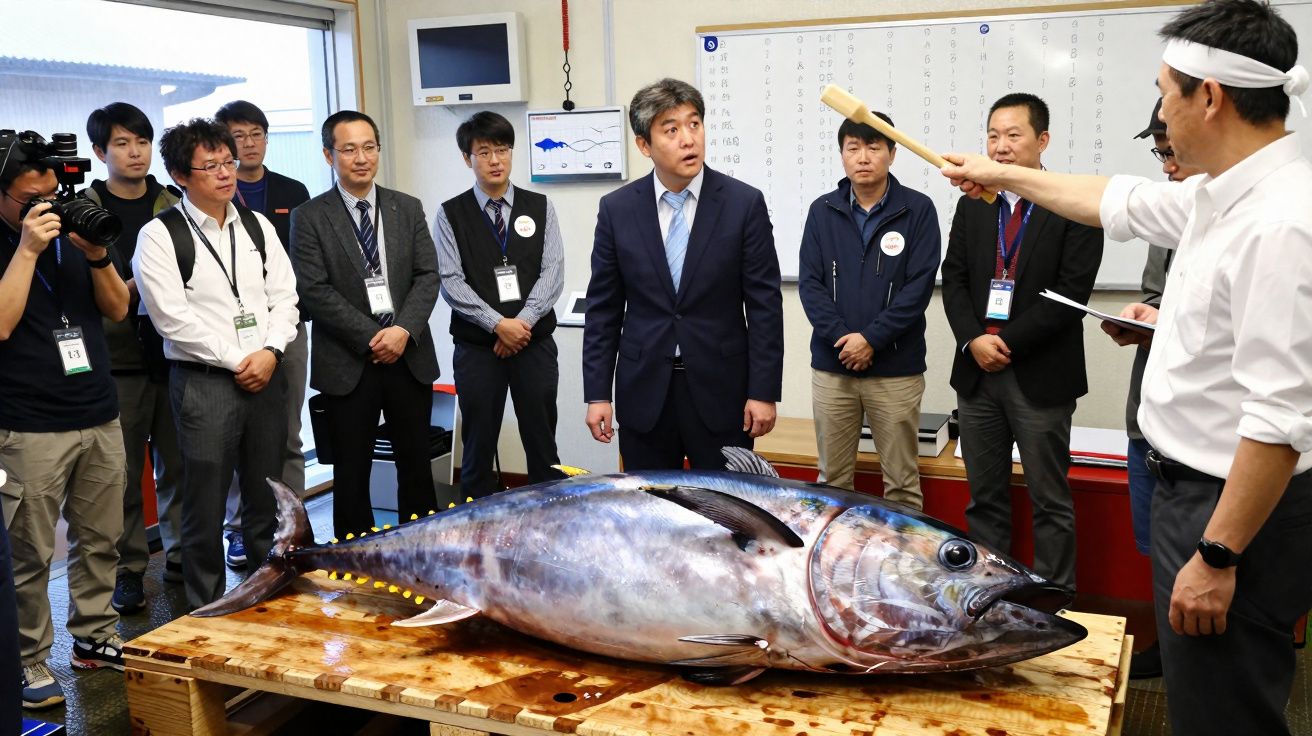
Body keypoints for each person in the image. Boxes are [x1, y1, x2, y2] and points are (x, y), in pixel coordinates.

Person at [941, 1, 1312, 731]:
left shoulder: (1281, 221)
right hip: (1194, 495)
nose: (1162, 115)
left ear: (1210, 95)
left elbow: (1282, 418)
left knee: (1223, 709)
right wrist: (1001, 174)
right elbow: (1116, 199)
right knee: (1201, 695)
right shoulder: (1220, 195)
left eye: (1167, 91)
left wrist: (1216, 552)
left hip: (1227, 512)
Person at [940, 93, 1103, 594]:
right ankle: (990, 599)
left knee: (1049, 500)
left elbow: (1071, 294)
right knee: (984, 498)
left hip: (1039, 374)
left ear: (1042, 141)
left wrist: (1003, 342)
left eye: (1013, 135)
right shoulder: (973, 203)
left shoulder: (1074, 201)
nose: (1001, 146)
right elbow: (955, 277)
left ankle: (1053, 605)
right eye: (993, 135)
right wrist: (973, 340)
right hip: (977, 374)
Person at [133, 119, 299, 609]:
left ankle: (266, 595)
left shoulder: (257, 225)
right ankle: (206, 607)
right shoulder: (160, 235)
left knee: (264, 495)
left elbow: (285, 298)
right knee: (203, 504)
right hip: (205, 383)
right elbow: (172, 319)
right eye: (211, 166)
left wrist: (269, 353)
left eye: (228, 162)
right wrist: (238, 360)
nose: (227, 173)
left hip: (266, 374)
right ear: (181, 175)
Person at [582, 78, 783, 469]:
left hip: (723, 391)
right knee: (651, 513)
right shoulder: (617, 209)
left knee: (728, 515)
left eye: (694, 124)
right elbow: (603, 310)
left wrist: (763, 391)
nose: (688, 139)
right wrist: (597, 394)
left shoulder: (743, 204)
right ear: (645, 145)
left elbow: (764, 306)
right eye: (671, 130)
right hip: (645, 391)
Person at [0, 130, 131, 708]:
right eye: (31, 199)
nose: (46, 207)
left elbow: (119, 309)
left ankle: (94, 635)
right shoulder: (17, 241)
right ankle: (27, 660)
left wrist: (96, 253)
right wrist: (27, 249)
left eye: (51, 193)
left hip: (98, 410)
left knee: (102, 538)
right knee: (29, 554)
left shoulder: (73, 227)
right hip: (28, 422)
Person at [290, 111, 439, 538]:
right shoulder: (310, 216)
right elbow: (313, 289)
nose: (361, 158)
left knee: (415, 465)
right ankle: (355, 561)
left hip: (408, 355)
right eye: (349, 149)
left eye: (369, 147)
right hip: (348, 361)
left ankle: (421, 549)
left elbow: (428, 275)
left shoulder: (405, 207)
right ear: (328, 154)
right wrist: (373, 337)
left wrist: (402, 330)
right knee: (352, 472)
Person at [1101, 98, 1203, 680]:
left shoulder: (1262, 220)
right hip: (1148, 417)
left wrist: (1170, 320)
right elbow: (1158, 293)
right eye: (1157, 151)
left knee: (1198, 555)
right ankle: (1171, 645)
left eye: (1170, 150)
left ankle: (1194, 658)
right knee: (1157, 547)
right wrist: (1147, 313)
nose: (1164, 163)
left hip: (1201, 436)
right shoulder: (1170, 216)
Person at [797, 116, 940, 508]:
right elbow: (810, 285)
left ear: (892, 154)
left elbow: (918, 287)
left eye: (874, 147)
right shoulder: (821, 211)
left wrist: (871, 339)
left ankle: (904, 568)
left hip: (895, 368)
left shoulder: (918, 210)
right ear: (841, 154)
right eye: (853, 147)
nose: (863, 157)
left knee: (902, 483)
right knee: (832, 482)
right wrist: (844, 340)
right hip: (833, 366)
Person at [81, 102, 185, 613]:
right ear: (101, 152)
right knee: (120, 476)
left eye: (141, 141)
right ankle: (129, 570)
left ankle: (184, 556)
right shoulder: (82, 211)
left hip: (173, 355)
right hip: (115, 362)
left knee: (179, 466)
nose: (135, 152)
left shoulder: (174, 203)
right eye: (121, 143)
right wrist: (128, 289)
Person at [435, 111, 562, 498]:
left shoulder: (539, 206)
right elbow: (451, 281)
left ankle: (549, 520)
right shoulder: (450, 213)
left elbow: (553, 271)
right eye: (484, 151)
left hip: (534, 345)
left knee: (543, 444)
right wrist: (497, 324)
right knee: (477, 446)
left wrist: (520, 325)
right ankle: (476, 534)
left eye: (502, 150)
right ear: (467, 158)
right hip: (478, 349)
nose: (495, 160)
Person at [214, 100, 311, 570]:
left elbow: (303, 263)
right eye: (238, 135)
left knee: (288, 432)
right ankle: (237, 529)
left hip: (288, 327)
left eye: (256, 133)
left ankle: (294, 524)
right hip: (230, 337)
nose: (248, 143)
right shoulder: (215, 199)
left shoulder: (293, 189)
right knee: (237, 436)